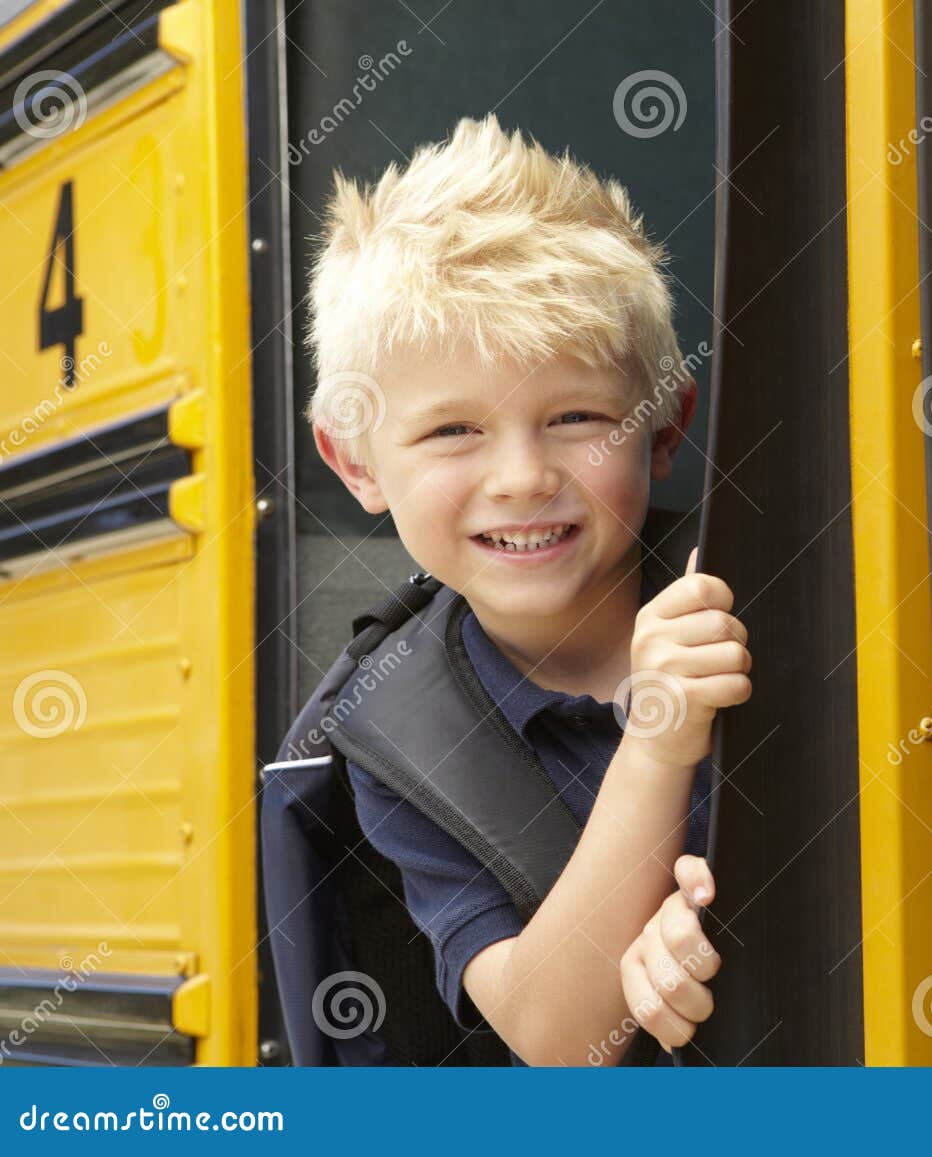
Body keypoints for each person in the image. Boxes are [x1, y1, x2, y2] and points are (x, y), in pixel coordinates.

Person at [299, 114, 749, 1064]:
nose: (521, 476)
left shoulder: (769, 602)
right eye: (452, 431)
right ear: (354, 459)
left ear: (665, 423)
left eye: (575, 416)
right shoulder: (398, 734)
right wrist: (661, 736)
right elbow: (553, 1031)